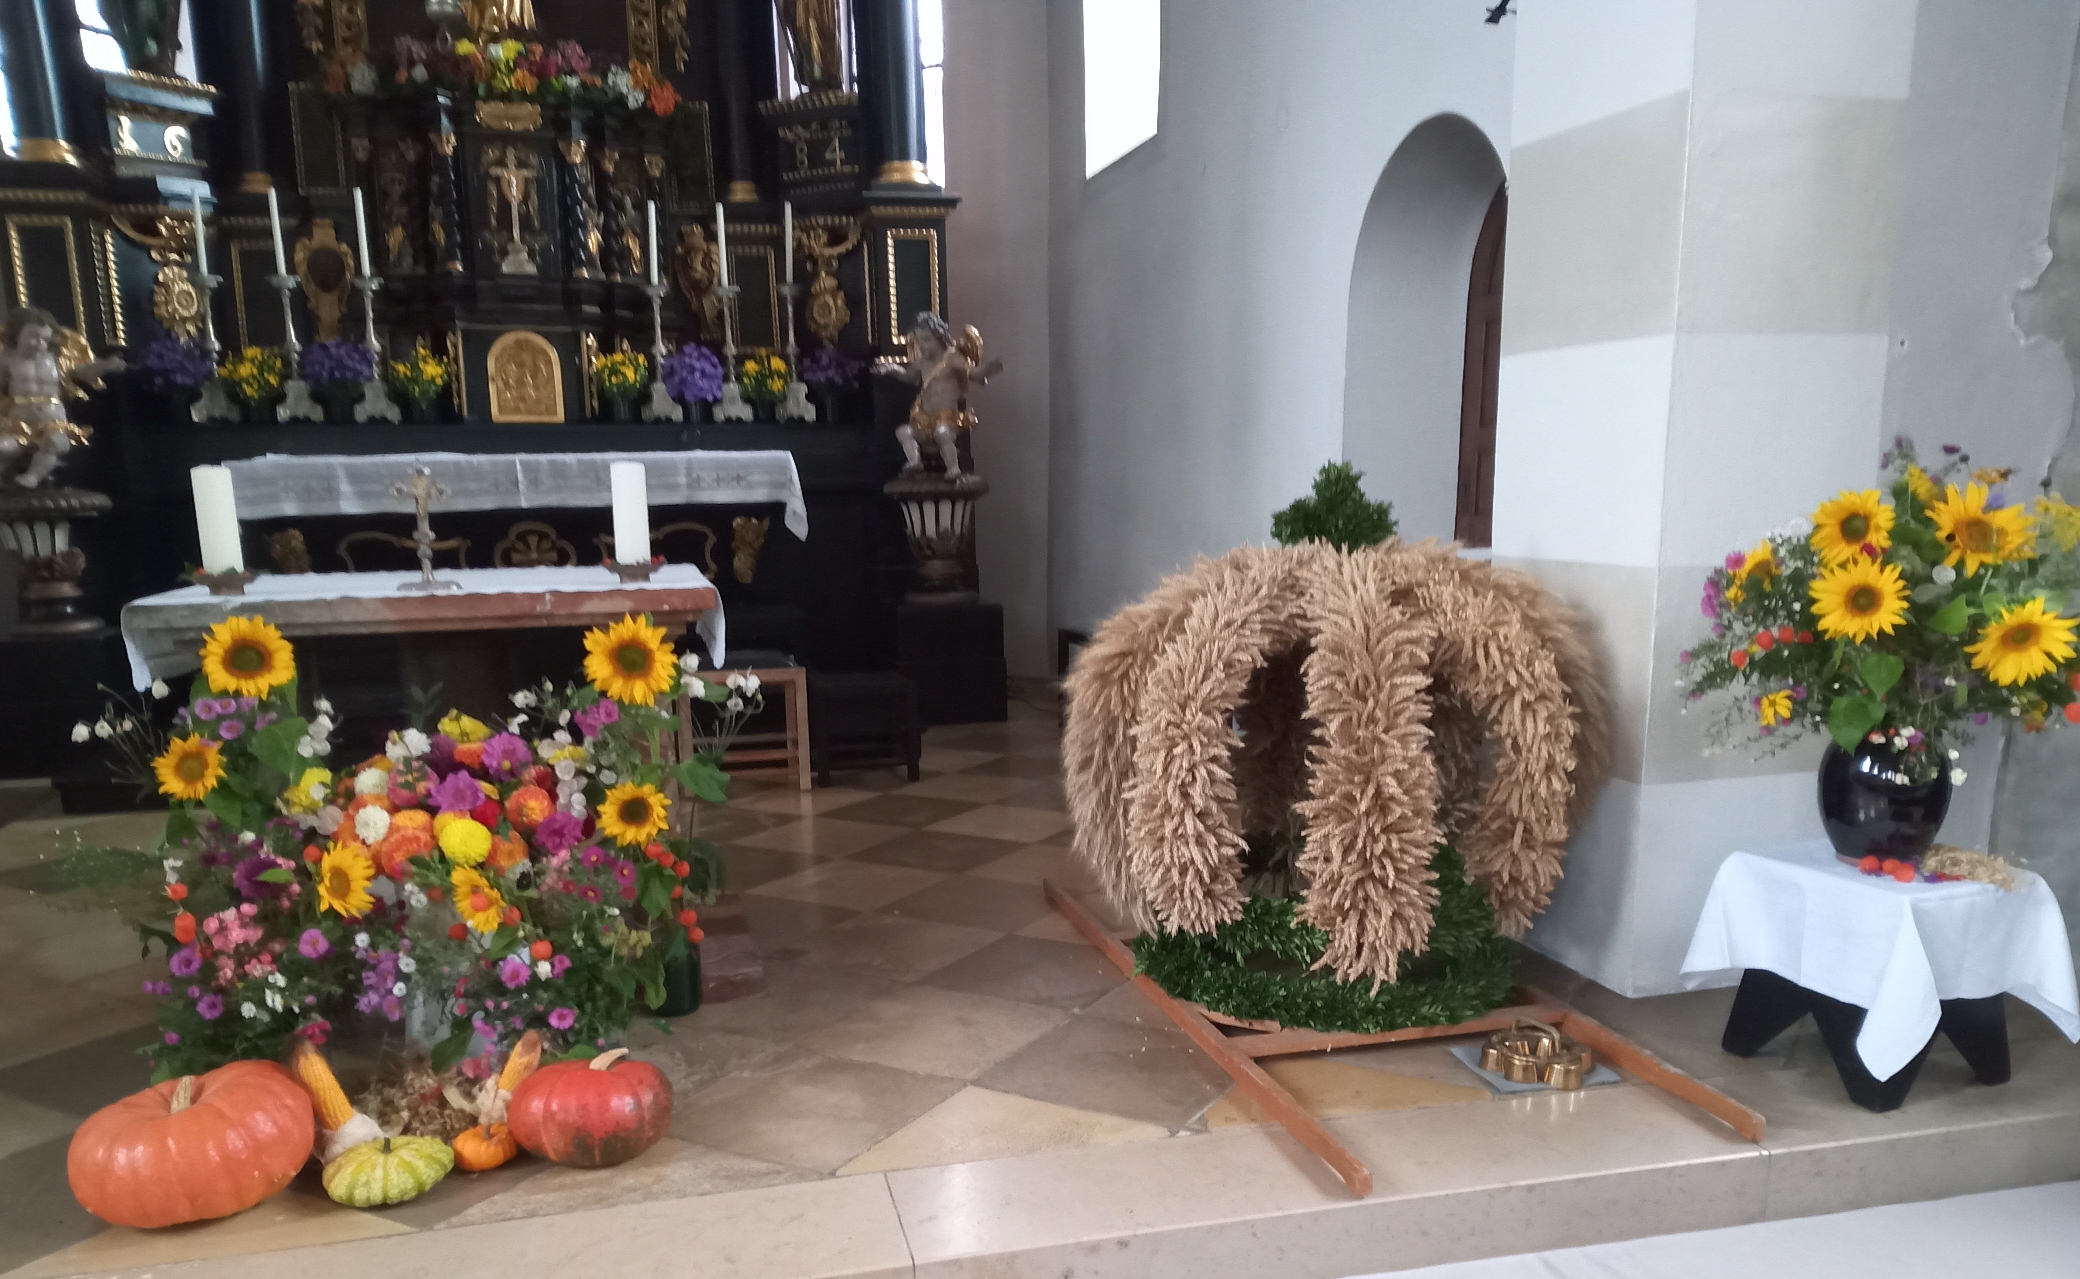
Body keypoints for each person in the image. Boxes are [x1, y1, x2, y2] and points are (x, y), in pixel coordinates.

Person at [0, 308, 123, 489]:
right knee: (4, 447)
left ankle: (31, 478)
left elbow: (84, 372)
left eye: (44, 339)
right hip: (19, 422)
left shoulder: (56, 360)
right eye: (33, 336)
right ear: (17, 333)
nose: (39, 343)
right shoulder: (6, 361)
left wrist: (105, 366)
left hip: (52, 419)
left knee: (55, 442)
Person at [874, 312, 1001, 485]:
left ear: (939, 337)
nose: (922, 345)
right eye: (919, 341)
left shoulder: (952, 358)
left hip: (947, 418)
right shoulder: (921, 362)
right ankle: (915, 462)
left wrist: (988, 370)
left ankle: (953, 468)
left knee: (942, 434)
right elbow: (908, 376)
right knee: (903, 432)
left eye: (926, 340)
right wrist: (893, 369)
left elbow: (973, 373)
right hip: (924, 420)